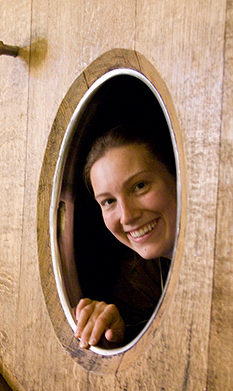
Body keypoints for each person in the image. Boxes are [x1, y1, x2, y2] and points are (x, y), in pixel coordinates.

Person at [74, 125, 177, 349]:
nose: (127, 216)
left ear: (177, 177)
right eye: (109, 201)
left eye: (140, 186)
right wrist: (116, 333)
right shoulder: (139, 279)